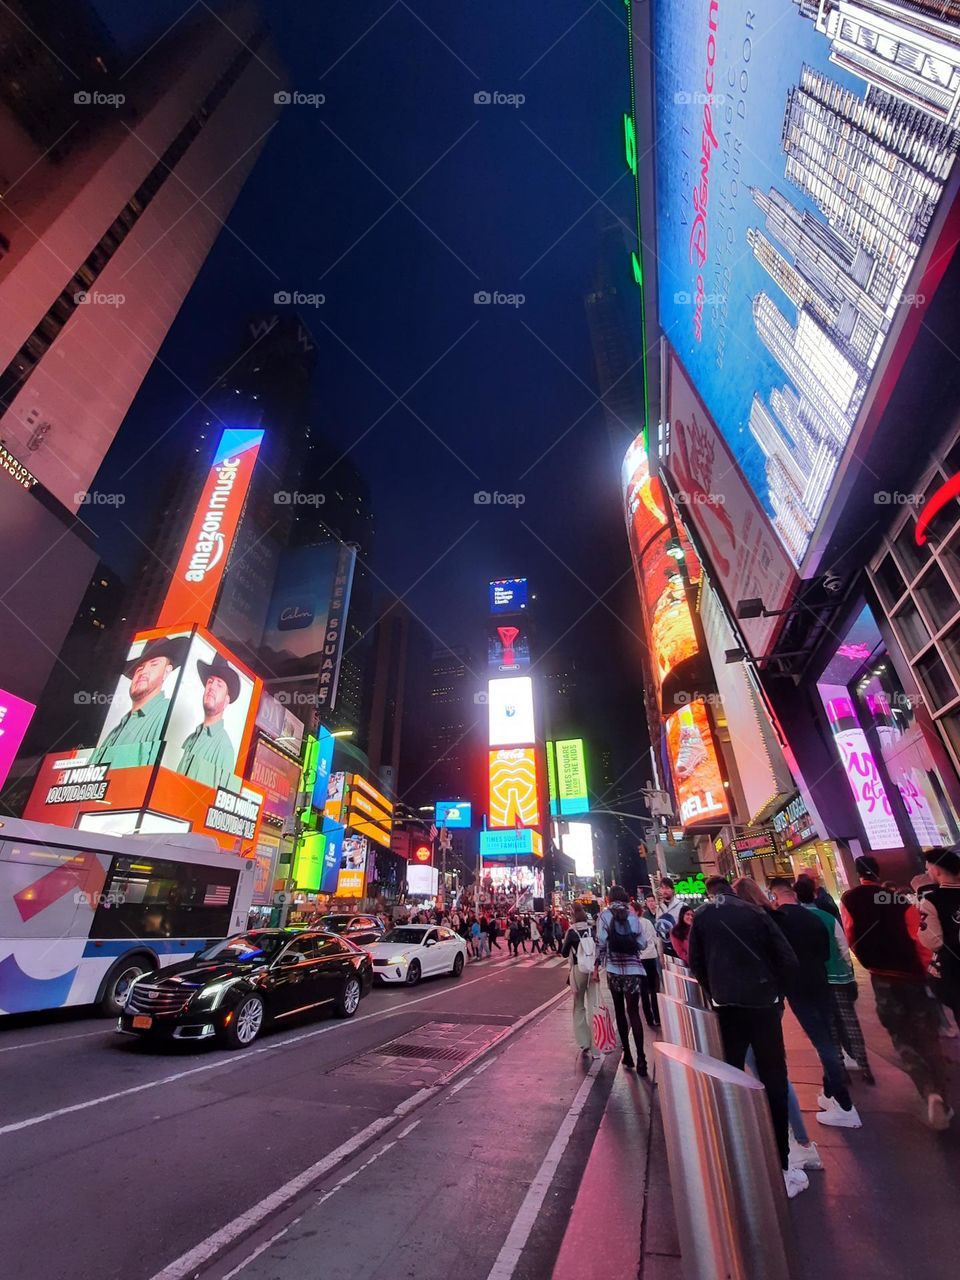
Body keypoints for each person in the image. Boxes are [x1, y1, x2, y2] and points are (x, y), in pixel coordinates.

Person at [689, 876, 807, 1198]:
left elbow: (695, 962)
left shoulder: (702, 915)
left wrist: (715, 991)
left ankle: (732, 1153)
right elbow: (788, 960)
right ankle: (781, 1164)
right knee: (774, 1076)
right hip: (763, 1006)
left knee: (729, 1073)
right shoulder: (756, 914)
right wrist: (775, 993)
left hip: (726, 1006)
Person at [842, 855, 952, 1130]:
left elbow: (850, 936)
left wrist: (869, 959)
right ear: (878, 871)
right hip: (913, 975)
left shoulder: (850, 899)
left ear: (857, 873)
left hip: (882, 977)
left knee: (901, 1036)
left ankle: (928, 1091)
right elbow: (919, 936)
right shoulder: (897, 900)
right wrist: (922, 968)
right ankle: (941, 1095)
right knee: (928, 1035)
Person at [766, 878, 862, 1129]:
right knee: (827, 1036)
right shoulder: (816, 918)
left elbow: (777, 956)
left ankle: (845, 1105)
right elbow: (827, 953)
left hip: (798, 987)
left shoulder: (778, 921)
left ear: (775, 896)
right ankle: (830, 1094)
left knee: (824, 1043)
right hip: (821, 981)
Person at [795, 876, 873, 1083]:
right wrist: (849, 972)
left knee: (828, 1026)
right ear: (814, 894)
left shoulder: (798, 919)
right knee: (850, 1022)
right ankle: (864, 1067)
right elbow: (843, 948)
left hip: (816, 979)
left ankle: (839, 1071)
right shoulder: (827, 917)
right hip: (838, 976)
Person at [91, 636, 188, 769]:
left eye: (154, 664)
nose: (143, 672)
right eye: (140, 668)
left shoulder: (168, 716)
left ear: (166, 672)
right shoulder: (118, 728)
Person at [596, 886, 657, 1075]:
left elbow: (601, 942)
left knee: (620, 1012)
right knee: (634, 1013)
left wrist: (599, 962)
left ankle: (628, 1055)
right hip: (633, 970)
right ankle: (642, 1059)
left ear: (609, 899)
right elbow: (641, 943)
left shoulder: (604, 916)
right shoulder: (633, 917)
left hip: (613, 970)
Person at [177, 655, 240, 787]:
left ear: (226, 700)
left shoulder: (225, 749)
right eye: (210, 682)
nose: (212, 687)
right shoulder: (189, 740)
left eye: (219, 685)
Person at [919, 846, 960, 1029]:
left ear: (935, 869)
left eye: (928, 869)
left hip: (954, 970)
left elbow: (933, 941)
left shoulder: (931, 901)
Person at [561, 906, 597, 1057]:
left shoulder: (571, 932)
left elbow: (563, 953)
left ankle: (584, 1042)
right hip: (592, 970)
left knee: (579, 1006)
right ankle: (597, 1043)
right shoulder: (591, 930)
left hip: (578, 969)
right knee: (593, 1005)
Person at [655, 879, 680, 958]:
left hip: (680, 946)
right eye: (662, 888)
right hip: (665, 948)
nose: (664, 891)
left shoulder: (681, 906)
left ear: (672, 890)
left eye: (667, 888)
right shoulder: (659, 908)